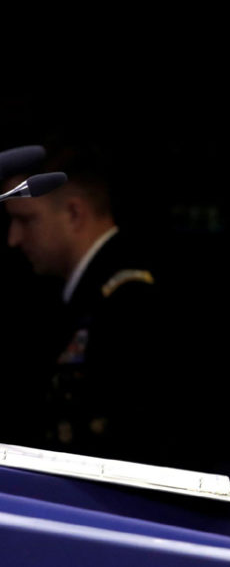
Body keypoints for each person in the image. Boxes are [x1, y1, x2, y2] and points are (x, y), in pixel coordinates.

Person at [3, 146, 162, 462]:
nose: (13, 239)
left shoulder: (129, 302)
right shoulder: (81, 296)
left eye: (26, 220)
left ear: (74, 213)